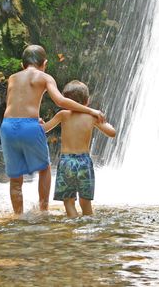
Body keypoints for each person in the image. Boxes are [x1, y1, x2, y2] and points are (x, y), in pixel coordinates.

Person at [0, 45, 105, 215]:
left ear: (22, 64)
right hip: (30, 127)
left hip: (7, 126)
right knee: (44, 168)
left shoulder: (12, 78)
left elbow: (13, 104)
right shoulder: (44, 77)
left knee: (15, 178)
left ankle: (18, 216)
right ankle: (43, 211)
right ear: (45, 63)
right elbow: (60, 101)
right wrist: (90, 110)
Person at [43, 80, 116, 218]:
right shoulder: (91, 117)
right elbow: (112, 133)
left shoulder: (63, 115)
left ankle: (74, 225)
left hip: (67, 162)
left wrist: (39, 123)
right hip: (84, 161)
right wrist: (104, 121)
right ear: (87, 101)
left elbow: (44, 129)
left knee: (68, 202)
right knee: (85, 201)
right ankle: (87, 226)